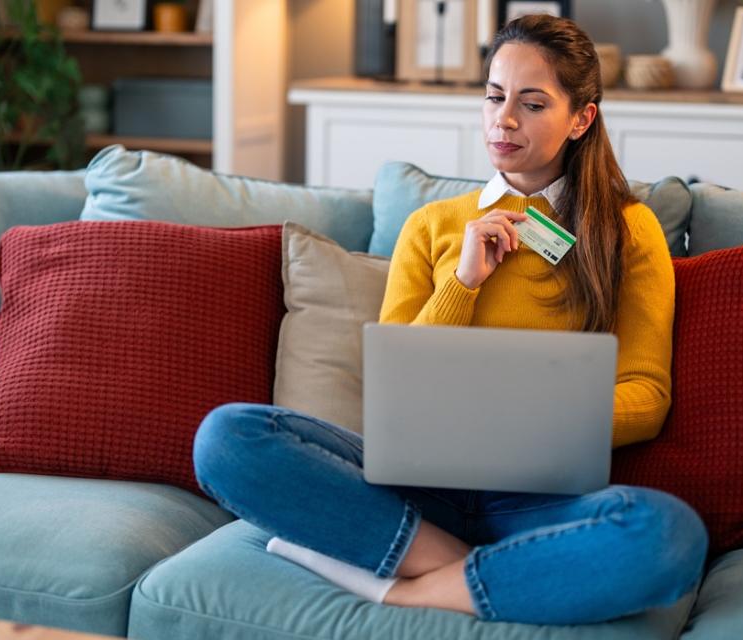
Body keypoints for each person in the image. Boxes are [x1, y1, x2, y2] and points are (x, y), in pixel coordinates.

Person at [191, 14, 708, 626]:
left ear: (581, 119)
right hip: (417, 486)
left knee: (668, 535)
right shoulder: (433, 225)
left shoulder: (627, 229)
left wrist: (518, 424)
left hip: (538, 497)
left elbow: (646, 396)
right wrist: (462, 284)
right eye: (494, 96)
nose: (504, 119)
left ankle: (411, 586)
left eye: (532, 103)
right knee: (228, 437)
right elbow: (396, 386)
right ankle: (484, 566)